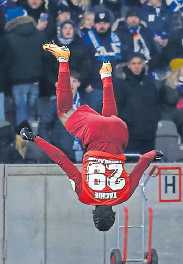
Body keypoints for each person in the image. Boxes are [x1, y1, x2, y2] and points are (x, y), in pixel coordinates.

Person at [20, 43, 163, 232]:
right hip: (94, 134)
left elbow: (144, 161)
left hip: (120, 131)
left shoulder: (124, 196)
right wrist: (35, 139)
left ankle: (106, 77)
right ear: (93, 213)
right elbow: (62, 160)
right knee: (64, 110)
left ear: (113, 213)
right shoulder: (85, 196)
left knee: (109, 118)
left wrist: (154, 154)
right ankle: (63, 59)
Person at [115, 52, 161, 154]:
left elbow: (156, 104)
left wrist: (154, 122)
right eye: (133, 63)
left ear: (143, 65)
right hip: (130, 132)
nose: (136, 66)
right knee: (131, 164)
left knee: (149, 164)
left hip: (148, 132)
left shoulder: (150, 83)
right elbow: (118, 106)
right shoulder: (121, 83)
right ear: (128, 65)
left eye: (139, 63)